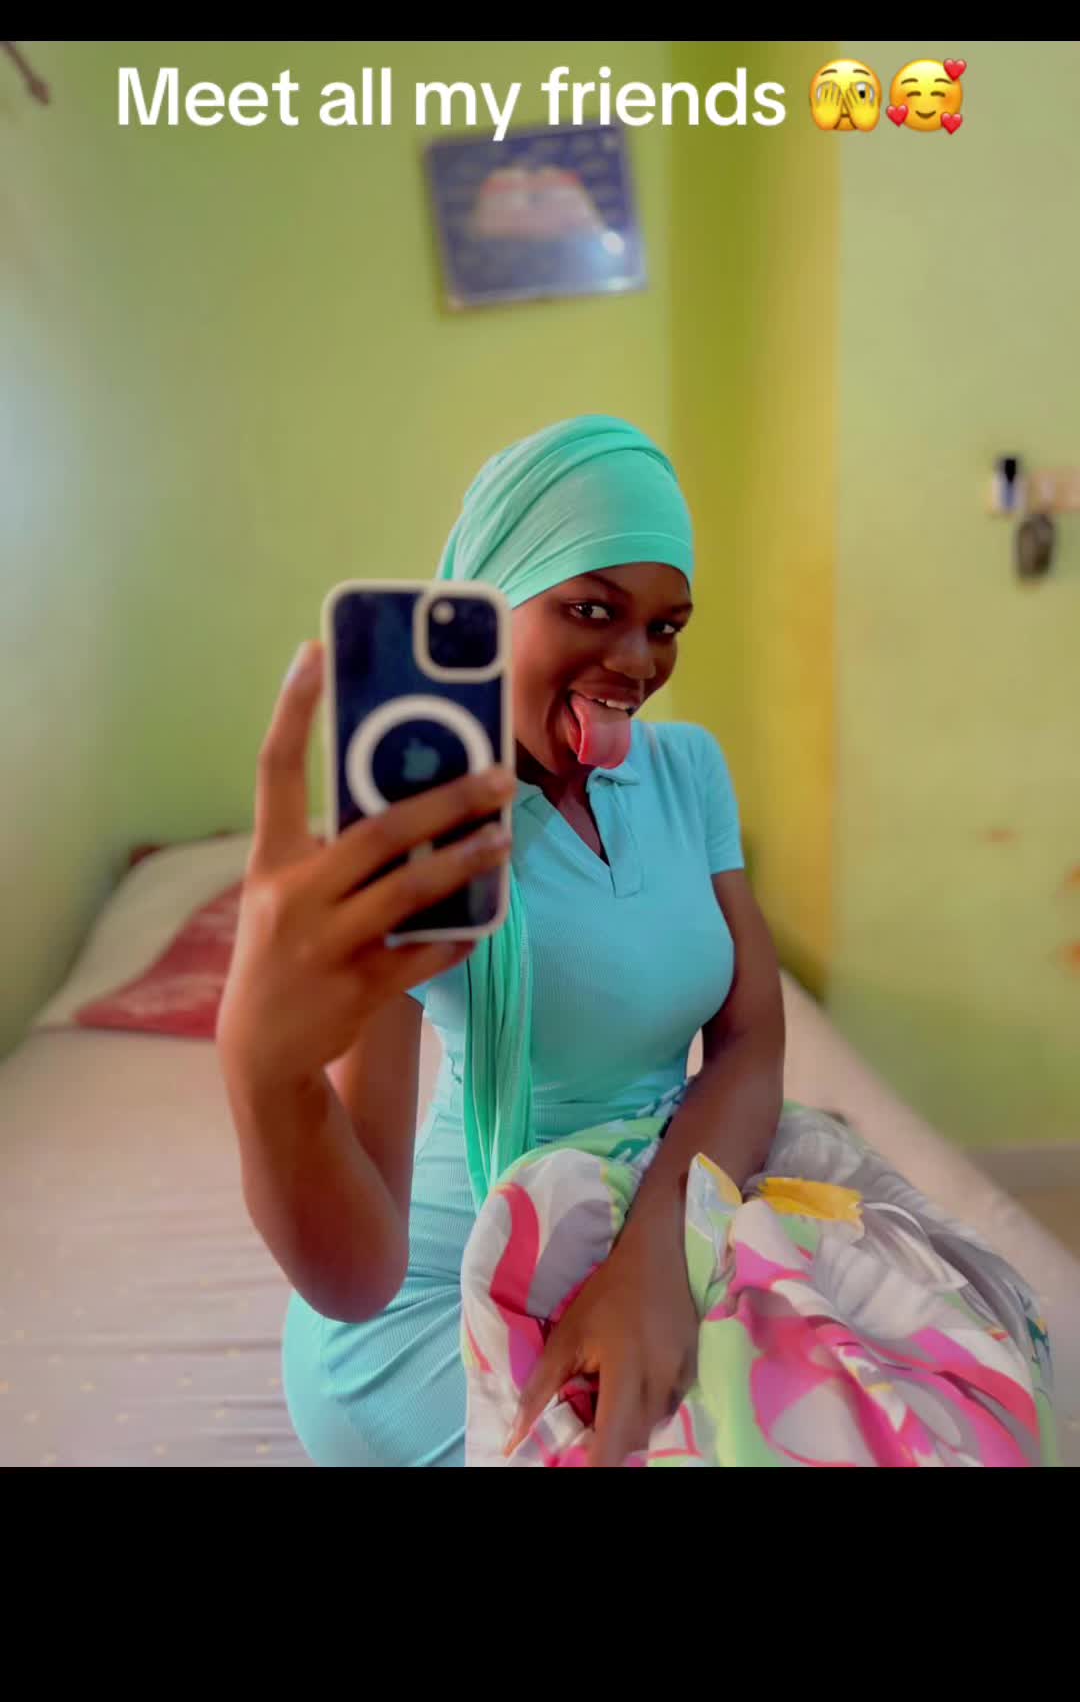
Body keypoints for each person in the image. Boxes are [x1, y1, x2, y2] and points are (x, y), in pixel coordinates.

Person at [217, 414, 1056, 1468]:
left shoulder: (687, 771)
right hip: (438, 1302)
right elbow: (359, 1278)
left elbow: (751, 1042)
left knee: (936, 1393)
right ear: (489, 600)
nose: (636, 661)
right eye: (591, 609)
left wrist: (654, 1256)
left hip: (663, 1211)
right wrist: (265, 1077)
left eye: (666, 626)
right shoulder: (418, 833)